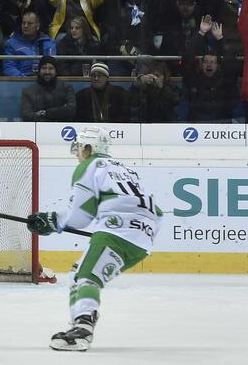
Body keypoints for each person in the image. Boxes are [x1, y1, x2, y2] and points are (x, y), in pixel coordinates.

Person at [24, 126, 162, 351]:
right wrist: (136, 231)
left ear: (89, 148)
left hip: (116, 232)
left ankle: (83, 329)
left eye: (78, 148)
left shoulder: (90, 166)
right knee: (79, 273)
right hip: (142, 241)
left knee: (84, 278)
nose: (77, 154)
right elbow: (158, 213)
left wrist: (51, 221)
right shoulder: (126, 170)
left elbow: (79, 217)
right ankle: (81, 321)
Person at [20, 55, 74, 121]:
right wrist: (60, 111)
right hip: (37, 129)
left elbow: (71, 110)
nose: (47, 72)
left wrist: (44, 113)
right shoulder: (28, 91)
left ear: (56, 71)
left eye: (51, 68)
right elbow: (26, 116)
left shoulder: (67, 88)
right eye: (44, 68)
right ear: (39, 71)